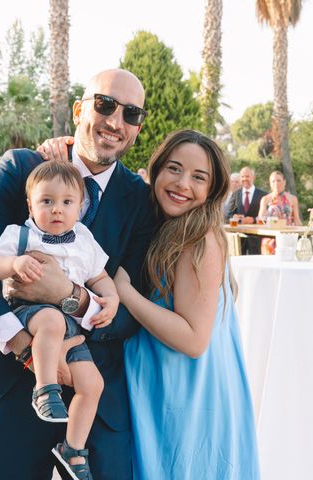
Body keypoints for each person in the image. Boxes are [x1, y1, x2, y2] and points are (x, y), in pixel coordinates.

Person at [0, 68, 155, 479]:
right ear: (79, 110)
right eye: (105, 105)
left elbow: (133, 307)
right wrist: (24, 348)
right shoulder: (23, 167)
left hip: (95, 398)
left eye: (131, 113)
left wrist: (73, 296)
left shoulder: (141, 201)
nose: (115, 121)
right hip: (7, 389)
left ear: (138, 127)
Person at [114, 130, 260, 479]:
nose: (182, 184)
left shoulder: (199, 240)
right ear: (156, 170)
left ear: (213, 188)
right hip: (166, 387)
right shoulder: (166, 227)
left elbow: (194, 340)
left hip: (188, 396)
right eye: (174, 169)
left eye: (199, 177)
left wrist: (126, 293)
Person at [0, 161, 118, 479]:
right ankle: (44, 389)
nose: (57, 210)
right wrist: (15, 263)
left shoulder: (84, 238)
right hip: (30, 312)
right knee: (51, 321)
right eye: (47, 201)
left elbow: (99, 276)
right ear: (31, 204)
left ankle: (73, 449)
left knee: (92, 385)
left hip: (73, 326)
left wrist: (111, 299)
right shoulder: (20, 235)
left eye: (67, 202)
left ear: (80, 206)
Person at [258, 170, 302, 254]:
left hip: (287, 237)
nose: (276, 183)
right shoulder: (265, 199)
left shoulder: (292, 199)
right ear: (270, 183)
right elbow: (260, 220)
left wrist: (304, 233)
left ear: (284, 182)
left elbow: (296, 219)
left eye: (278, 180)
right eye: (273, 181)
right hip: (270, 238)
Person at [227, 166, 266, 254]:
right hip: (238, 239)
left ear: (253, 177)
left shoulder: (263, 195)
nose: (245, 179)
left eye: (247, 176)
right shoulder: (235, 194)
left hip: (257, 238)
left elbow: (268, 217)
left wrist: (254, 220)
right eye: (242, 177)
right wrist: (234, 216)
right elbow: (228, 215)